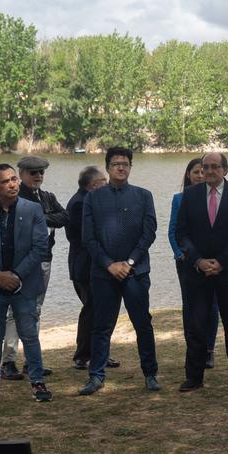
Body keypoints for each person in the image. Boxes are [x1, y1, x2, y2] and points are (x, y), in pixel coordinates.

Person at [0, 163, 51, 403]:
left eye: (14, 179)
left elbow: (40, 247)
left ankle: (38, 383)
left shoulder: (33, 210)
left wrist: (15, 275)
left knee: (30, 335)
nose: (12, 184)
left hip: (24, 284)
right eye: (5, 181)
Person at [79, 147, 159, 395]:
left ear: (130, 167)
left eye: (125, 164)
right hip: (104, 273)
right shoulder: (93, 198)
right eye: (115, 164)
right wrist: (109, 264)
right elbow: (88, 238)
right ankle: (96, 375)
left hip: (136, 272)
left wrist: (131, 262)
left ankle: (150, 374)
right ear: (108, 167)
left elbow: (149, 233)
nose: (121, 168)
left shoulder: (143, 196)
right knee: (102, 325)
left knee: (142, 323)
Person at [175, 152, 228, 391]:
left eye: (215, 167)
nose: (209, 171)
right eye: (205, 167)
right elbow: (181, 232)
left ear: (225, 170)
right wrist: (198, 260)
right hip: (197, 272)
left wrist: (221, 262)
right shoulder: (190, 195)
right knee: (196, 324)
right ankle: (194, 377)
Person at [0, 155, 68, 380]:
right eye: (33, 172)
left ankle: (31, 361)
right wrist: (45, 219)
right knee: (14, 311)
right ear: (21, 175)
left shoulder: (47, 197)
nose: (38, 176)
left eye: (41, 172)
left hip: (44, 260)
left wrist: (41, 218)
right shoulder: (14, 197)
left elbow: (64, 217)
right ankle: (8, 362)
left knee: (35, 309)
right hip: (20, 263)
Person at [169, 158, 219, 369]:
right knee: (190, 306)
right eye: (196, 171)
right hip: (187, 261)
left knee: (212, 306)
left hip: (213, 263)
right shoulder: (179, 199)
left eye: (203, 171)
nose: (200, 175)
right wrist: (180, 253)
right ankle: (193, 347)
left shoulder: (218, 198)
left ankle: (209, 349)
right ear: (188, 175)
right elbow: (173, 231)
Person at [66, 165, 114, 372]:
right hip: (85, 266)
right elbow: (89, 237)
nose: (107, 184)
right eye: (104, 181)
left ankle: (99, 353)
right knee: (92, 310)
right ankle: (83, 355)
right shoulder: (79, 203)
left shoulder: (89, 199)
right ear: (94, 185)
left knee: (101, 309)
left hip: (96, 265)